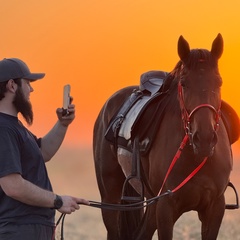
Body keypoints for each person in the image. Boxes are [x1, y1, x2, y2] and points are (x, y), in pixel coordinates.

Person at [0, 58, 89, 240]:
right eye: (27, 83)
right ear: (11, 85)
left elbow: (42, 153)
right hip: (19, 231)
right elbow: (12, 186)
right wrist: (57, 201)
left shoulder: (13, 126)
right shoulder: (4, 129)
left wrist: (63, 124)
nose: (31, 89)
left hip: (29, 229)